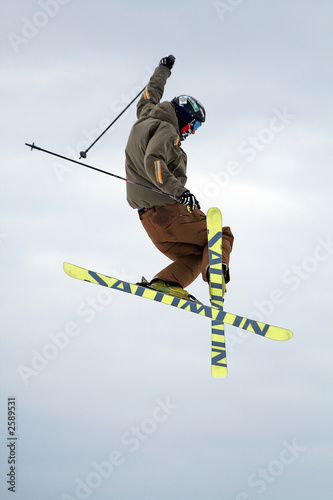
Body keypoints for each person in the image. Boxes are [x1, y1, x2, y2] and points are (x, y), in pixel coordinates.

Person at [125, 55, 234, 300]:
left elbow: (149, 94)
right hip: (168, 211)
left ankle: (167, 282)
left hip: (150, 221)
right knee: (221, 235)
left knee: (199, 254)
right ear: (184, 117)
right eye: (193, 126)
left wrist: (163, 69)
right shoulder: (167, 130)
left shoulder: (147, 115)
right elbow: (153, 162)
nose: (191, 132)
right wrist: (180, 192)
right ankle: (216, 272)